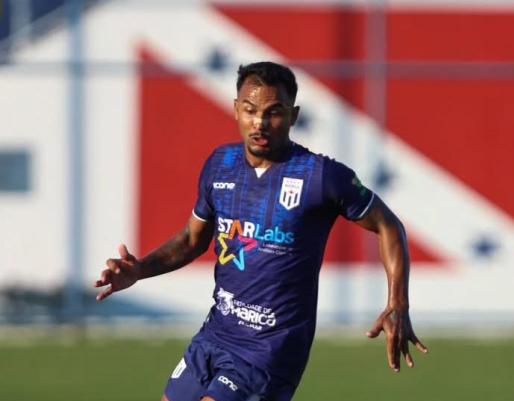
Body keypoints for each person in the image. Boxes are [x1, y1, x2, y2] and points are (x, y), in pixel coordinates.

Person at [93, 61, 427, 401]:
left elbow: (389, 226)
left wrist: (398, 303)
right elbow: (192, 240)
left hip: (270, 352)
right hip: (215, 335)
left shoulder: (321, 176)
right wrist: (139, 270)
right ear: (236, 109)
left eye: (274, 112)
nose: (260, 123)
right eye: (250, 110)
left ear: (293, 116)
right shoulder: (220, 164)